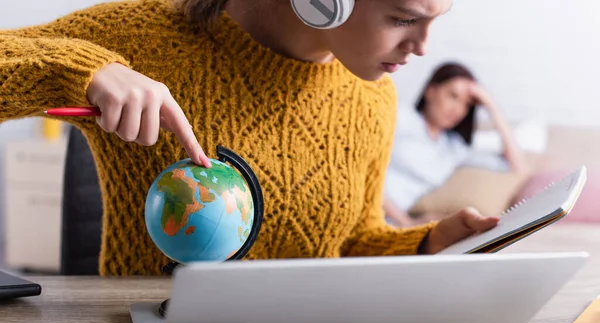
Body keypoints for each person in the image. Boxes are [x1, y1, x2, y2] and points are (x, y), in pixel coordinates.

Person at [0, 0, 499, 276]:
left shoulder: (375, 99)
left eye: (436, 19)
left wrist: (429, 243)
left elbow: (347, 244)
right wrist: (80, 71)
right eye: (404, 17)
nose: (423, 46)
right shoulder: (144, 37)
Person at [383, 62, 531, 227]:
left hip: (391, 223)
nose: (458, 109)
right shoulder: (401, 117)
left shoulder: (454, 148)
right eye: (453, 96)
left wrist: (491, 106)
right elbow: (363, 172)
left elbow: (518, 169)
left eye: (467, 104)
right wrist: (406, 222)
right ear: (431, 91)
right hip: (367, 209)